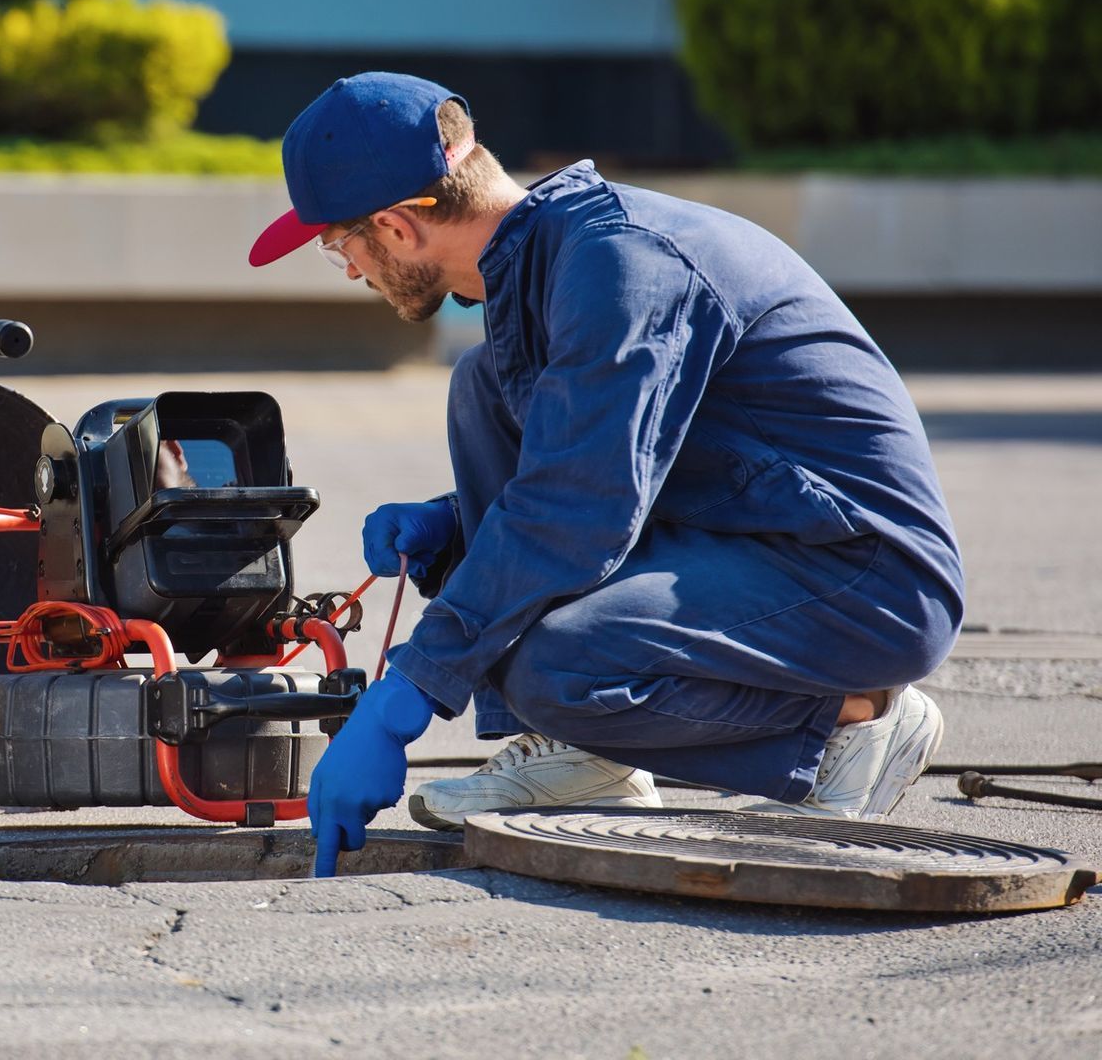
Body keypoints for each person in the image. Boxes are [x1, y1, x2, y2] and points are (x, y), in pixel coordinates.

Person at [247, 73, 964, 876]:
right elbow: (602, 458)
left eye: (338, 244)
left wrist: (403, 699)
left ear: (395, 226)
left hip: (862, 577)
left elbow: (574, 510)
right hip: (757, 535)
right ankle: (586, 760)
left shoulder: (621, 266)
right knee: (482, 387)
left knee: (558, 665)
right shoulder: (552, 266)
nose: (347, 269)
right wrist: (455, 520)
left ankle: (852, 723)